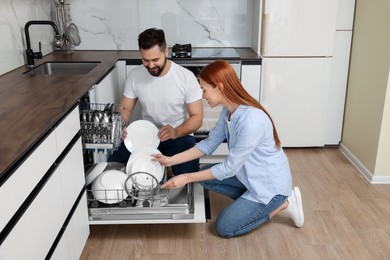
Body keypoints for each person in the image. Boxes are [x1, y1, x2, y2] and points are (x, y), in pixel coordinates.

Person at [153, 60, 304, 238]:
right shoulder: (229, 111)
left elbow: (228, 168)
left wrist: (186, 177)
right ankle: (248, 205)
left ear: (220, 87)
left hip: (269, 188)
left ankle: (281, 205)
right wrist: (170, 160)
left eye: (204, 90)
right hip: (248, 175)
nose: (202, 96)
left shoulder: (251, 122)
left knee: (224, 227)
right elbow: (208, 145)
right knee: (204, 177)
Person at [109, 28, 203, 175]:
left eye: (155, 60)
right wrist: (120, 126)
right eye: (145, 60)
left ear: (166, 51)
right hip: (146, 136)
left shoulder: (186, 77)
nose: (151, 65)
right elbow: (125, 108)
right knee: (114, 162)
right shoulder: (135, 76)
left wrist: (176, 131)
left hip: (178, 135)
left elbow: (197, 118)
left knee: (188, 173)